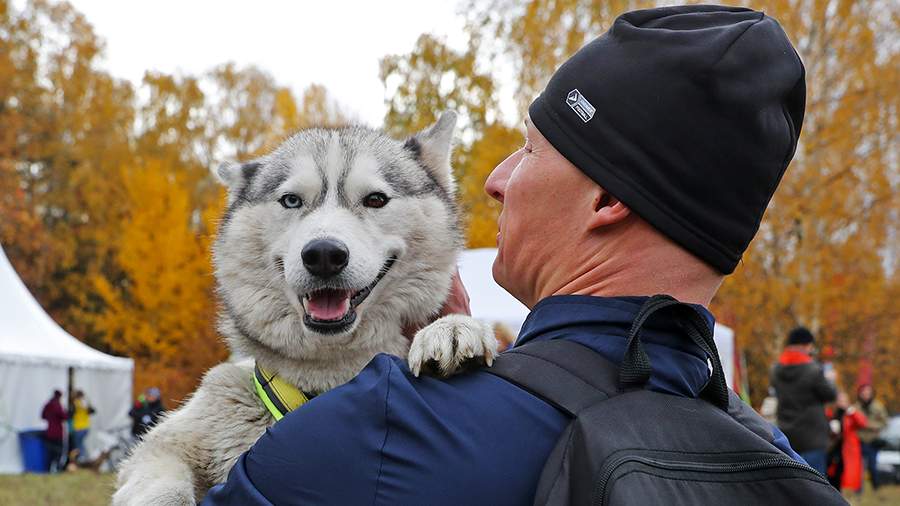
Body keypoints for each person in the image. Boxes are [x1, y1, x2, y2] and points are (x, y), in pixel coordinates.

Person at [204, 5, 808, 504]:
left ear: (606, 200)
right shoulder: (781, 465)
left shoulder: (381, 430)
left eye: (530, 150)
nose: (496, 179)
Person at [771, 326, 838, 474]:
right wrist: (830, 380)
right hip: (813, 435)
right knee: (816, 482)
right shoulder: (813, 369)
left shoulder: (776, 370)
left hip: (787, 433)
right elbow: (830, 395)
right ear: (805, 345)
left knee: (794, 480)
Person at [828, 391, 868, 494]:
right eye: (840, 400)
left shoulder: (851, 413)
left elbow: (863, 423)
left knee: (847, 475)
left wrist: (852, 412)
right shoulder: (831, 413)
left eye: (844, 400)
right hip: (833, 449)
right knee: (832, 473)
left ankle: (847, 495)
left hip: (848, 449)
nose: (842, 403)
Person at [855, 383, 888, 491]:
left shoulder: (878, 406)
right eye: (863, 392)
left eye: (868, 392)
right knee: (860, 467)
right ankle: (859, 489)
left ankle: (876, 487)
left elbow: (885, 422)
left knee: (873, 466)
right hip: (859, 441)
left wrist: (870, 425)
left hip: (873, 441)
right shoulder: (856, 407)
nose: (866, 394)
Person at [41, 390, 68, 473]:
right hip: (57, 433)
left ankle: (48, 470)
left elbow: (43, 416)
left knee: (50, 453)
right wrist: (67, 412)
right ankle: (57, 469)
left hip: (49, 432)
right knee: (59, 452)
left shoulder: (47, 404)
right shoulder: (57, 405)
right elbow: (64, 417)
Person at [69, 390, 95, 463]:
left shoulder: (76, 403)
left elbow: (70, 413)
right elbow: (92, 411)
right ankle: (85, 457)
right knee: (81, 444)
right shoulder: (86, 403)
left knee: (79, 445)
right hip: (86, 427)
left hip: (78, 427)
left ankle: (82, 458)